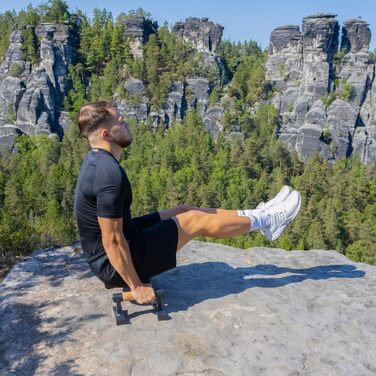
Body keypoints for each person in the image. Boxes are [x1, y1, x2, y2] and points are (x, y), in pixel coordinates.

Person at [74, 100, 301, 305]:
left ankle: (257, 214)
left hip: (126, 240)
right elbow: (112, 241)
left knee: (185, 210)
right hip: (112, 265)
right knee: (194, 221)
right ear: (106, 134)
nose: (127, 125)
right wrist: (136, 286)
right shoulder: (107, 173)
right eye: (121, 122)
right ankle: (269, 220)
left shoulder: (98, 161)